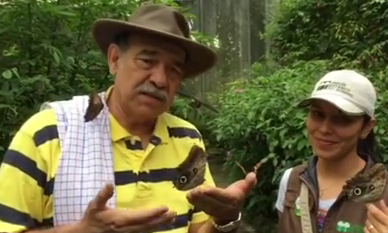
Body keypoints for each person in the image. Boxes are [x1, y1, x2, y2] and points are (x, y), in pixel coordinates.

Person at [0, 4, 256, 233]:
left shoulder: (187, 139)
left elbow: (197, 228)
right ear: (114, 59)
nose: (160, 79)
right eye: (147, 61)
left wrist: (225, 217)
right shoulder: (49, 133)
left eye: (174, 69)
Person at [275, 70, 388, 233]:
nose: (324, 129)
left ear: (366, 127)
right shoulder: (292, 181)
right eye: (317, 114)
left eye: (342, 119)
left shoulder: (384, 193)